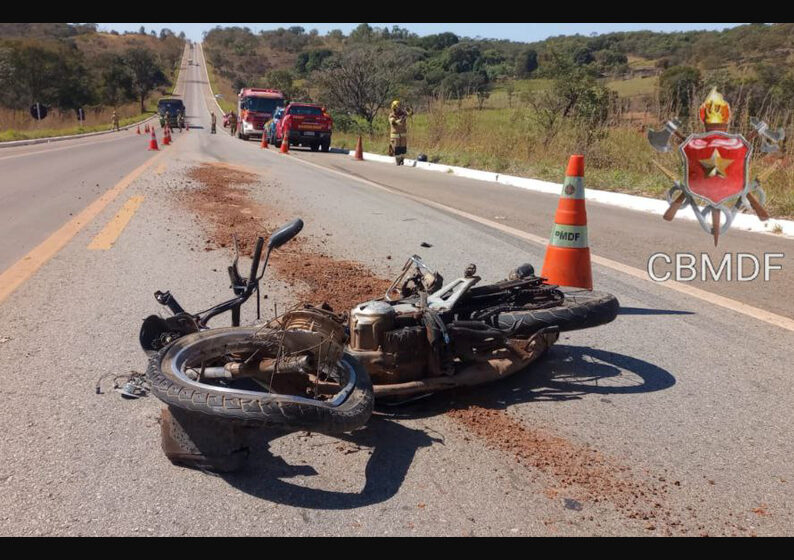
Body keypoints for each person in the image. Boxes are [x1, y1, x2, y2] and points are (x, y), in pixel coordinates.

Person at [388, 99, 411, 166]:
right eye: (398, 107)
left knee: (403, 149)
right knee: (397, 150)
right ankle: (398, 161)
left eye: (400, 107)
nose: (399, 108)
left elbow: (410, 114)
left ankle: (402, 160)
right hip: (395, 136)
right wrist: (400, 120)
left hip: (403, 135)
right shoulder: (391, 115)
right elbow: (393, 122)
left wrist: (409, 110)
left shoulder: (403, 113)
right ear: (394, 108)